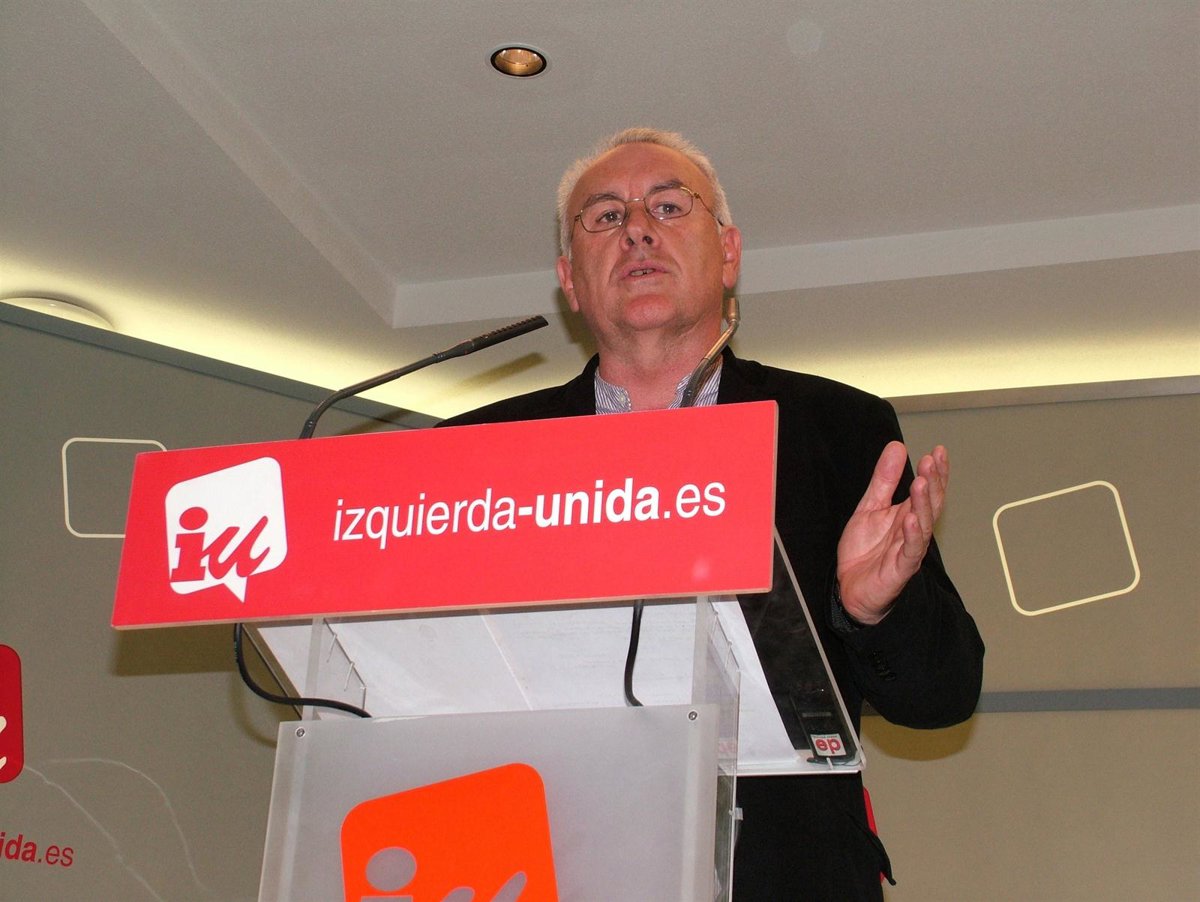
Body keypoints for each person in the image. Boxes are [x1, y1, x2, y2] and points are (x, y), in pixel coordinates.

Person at [442, 127, 984, 900]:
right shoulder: (475, 452)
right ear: (569, 280)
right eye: (606, 216)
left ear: (728, 253)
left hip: (781, 873)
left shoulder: (836, 428)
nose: (637, 229)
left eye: (668, 206)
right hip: (540, 863)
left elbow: (942, 697)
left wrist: (875, 610)